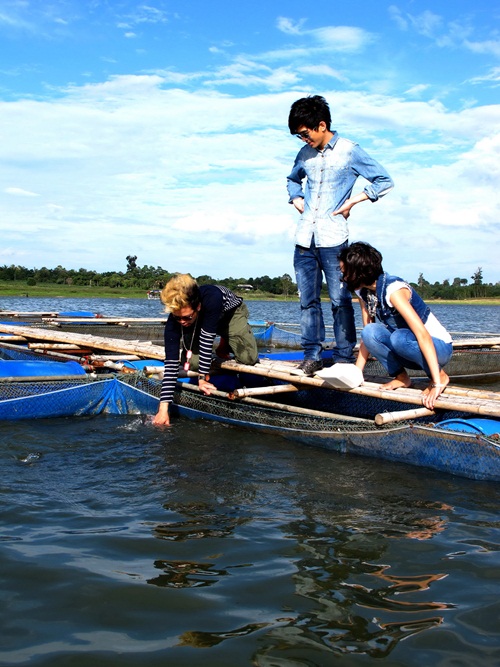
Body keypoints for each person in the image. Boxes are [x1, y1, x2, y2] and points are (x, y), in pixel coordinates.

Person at [287, 95, 394, 375]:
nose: (302, 140)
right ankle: (312, 355)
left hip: (334, 239)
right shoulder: (304, 155)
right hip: (304, 240)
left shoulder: (350, 151)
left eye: (304, 134)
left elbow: (384, 180)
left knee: (340, 300)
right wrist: (296, 198)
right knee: (307, 301)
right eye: (298, 136)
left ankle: (345, 358)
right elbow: (292, 179)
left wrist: (353, 201)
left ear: (321, 125)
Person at [338, 242, 453, 410]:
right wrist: (356, 375)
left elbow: (422, 334)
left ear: (358, 272)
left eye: (345, 273)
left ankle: (441, 376)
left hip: (438, 348)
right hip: (408, 346)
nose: (343, 278)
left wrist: (436, 383)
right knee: (370, 331)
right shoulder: (363, 292)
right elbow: (368, 337)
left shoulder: (394, 290)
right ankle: (402, 378)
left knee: (399, 338)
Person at [153, 274, 258, 426]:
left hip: (230, 314)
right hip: (201, 320)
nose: (182, 322)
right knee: (192, 363)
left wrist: (202, 379)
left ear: (198, 307)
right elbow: (171, 364)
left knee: (248, 358)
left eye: (186, 318)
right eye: (178, 318)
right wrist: (163, 410)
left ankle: (226, 339)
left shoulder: (212, 298)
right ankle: (222, 345)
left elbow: (206, 340)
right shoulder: (176, 320)